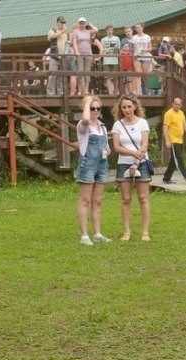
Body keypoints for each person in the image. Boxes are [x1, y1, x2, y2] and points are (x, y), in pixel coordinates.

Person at [111, 94, 152, 242]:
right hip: (123, 163)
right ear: (120, 109)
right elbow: (117, 147)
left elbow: (144, 145)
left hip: (141, 162)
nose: (127, 110)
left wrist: (137, 159)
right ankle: (127, 232)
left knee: (143, 198)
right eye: (124, 107)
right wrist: (132, 153)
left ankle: (145, 232)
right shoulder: (117, 125)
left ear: (135, 106)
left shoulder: (142, 123)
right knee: (126, 199)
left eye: (129, 106)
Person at [76, 96, 111, 245]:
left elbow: (107, 146)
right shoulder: (83, 125)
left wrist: (107, 150)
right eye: (92, 108)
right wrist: (88, 101)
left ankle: (97, 233)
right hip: (88, 164)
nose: (95, 111)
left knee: (97, 201)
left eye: (98, 108)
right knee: (85, 200)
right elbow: (85, 120)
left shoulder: (102, 127)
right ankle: (84, 235)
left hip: (101, 165)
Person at [162, 97, 186, 184]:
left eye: (179, 104)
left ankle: (166, 178)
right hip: (173, 140)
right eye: (175, 104)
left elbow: (185, 126)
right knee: (179, 158)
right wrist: (167, 140)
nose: (177, 106)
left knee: (174, 160)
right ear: (172, 104)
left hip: (180, 140)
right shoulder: (169, 114)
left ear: (181, 105)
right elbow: (165, 127)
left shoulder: (181, 113)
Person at [71, 17, 97, 96]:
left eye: (83, 23)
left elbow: (96, 30)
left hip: (88, 53)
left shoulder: (88, 31)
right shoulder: (76, 31)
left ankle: (86, 90)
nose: (82, 24)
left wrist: (91, 24)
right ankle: (80, 90)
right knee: (80, 72)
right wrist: (77, 51)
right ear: (78, 24)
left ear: (85, 23)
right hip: (80, 54)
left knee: (87, 72)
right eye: (80, 23)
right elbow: (74, 42)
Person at [46, 16, 69, 96]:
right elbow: (50, 37)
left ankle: (60, 92)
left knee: (60, 76)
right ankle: (50, 93)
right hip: (54, 57)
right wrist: (61, 32)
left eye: (64, 23)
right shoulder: (53, 30)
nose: (62, 24)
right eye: (61, 22)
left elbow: (66, 44)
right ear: (57, 23)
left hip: (62, 58)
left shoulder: (65, 34)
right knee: (52, 75)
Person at [132, 23, 153, 95]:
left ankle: (149, 91)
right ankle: (138, 92)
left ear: (142, 28)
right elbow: (133, 47)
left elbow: (150, 48)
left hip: (145, 56)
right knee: (138, 74)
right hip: (137, 56)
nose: (137, 29)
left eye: (138, 27)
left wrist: (145, 49)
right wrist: (134, 48)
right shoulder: (134, 37)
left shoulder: (147, 37)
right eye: (136, 28)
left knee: (145, 75)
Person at [100, 25, 121, 95]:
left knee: (115, 77)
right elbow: (102, 50)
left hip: (115, 60)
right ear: (106, 31)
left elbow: (119, 49)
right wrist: (104, 50)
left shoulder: (116, 38)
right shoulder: (103, 39)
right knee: (107, 77)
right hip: (106, 61)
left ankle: (116, 91)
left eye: (111, 30)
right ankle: (110, 92)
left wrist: (114, 49)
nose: (110, 31)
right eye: (108, 30)